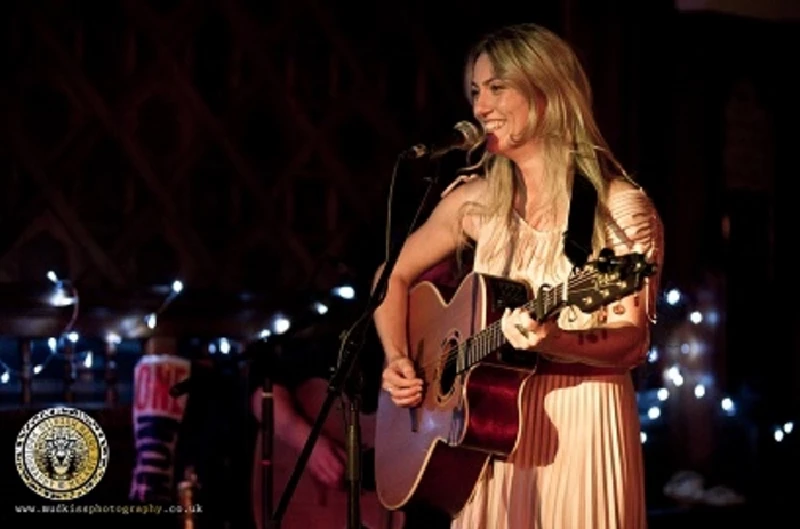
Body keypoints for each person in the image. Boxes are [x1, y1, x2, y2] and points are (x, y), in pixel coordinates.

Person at [373, 22, 664, 529]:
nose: (480, 106)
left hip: (579, 428)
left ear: (547, 90)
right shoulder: (475, 201)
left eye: (496, 88)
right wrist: (399, 358)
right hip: (484, 440)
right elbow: (389, 280)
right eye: (475, 91)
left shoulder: (615, 207)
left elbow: (632, 342)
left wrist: (552, 341)